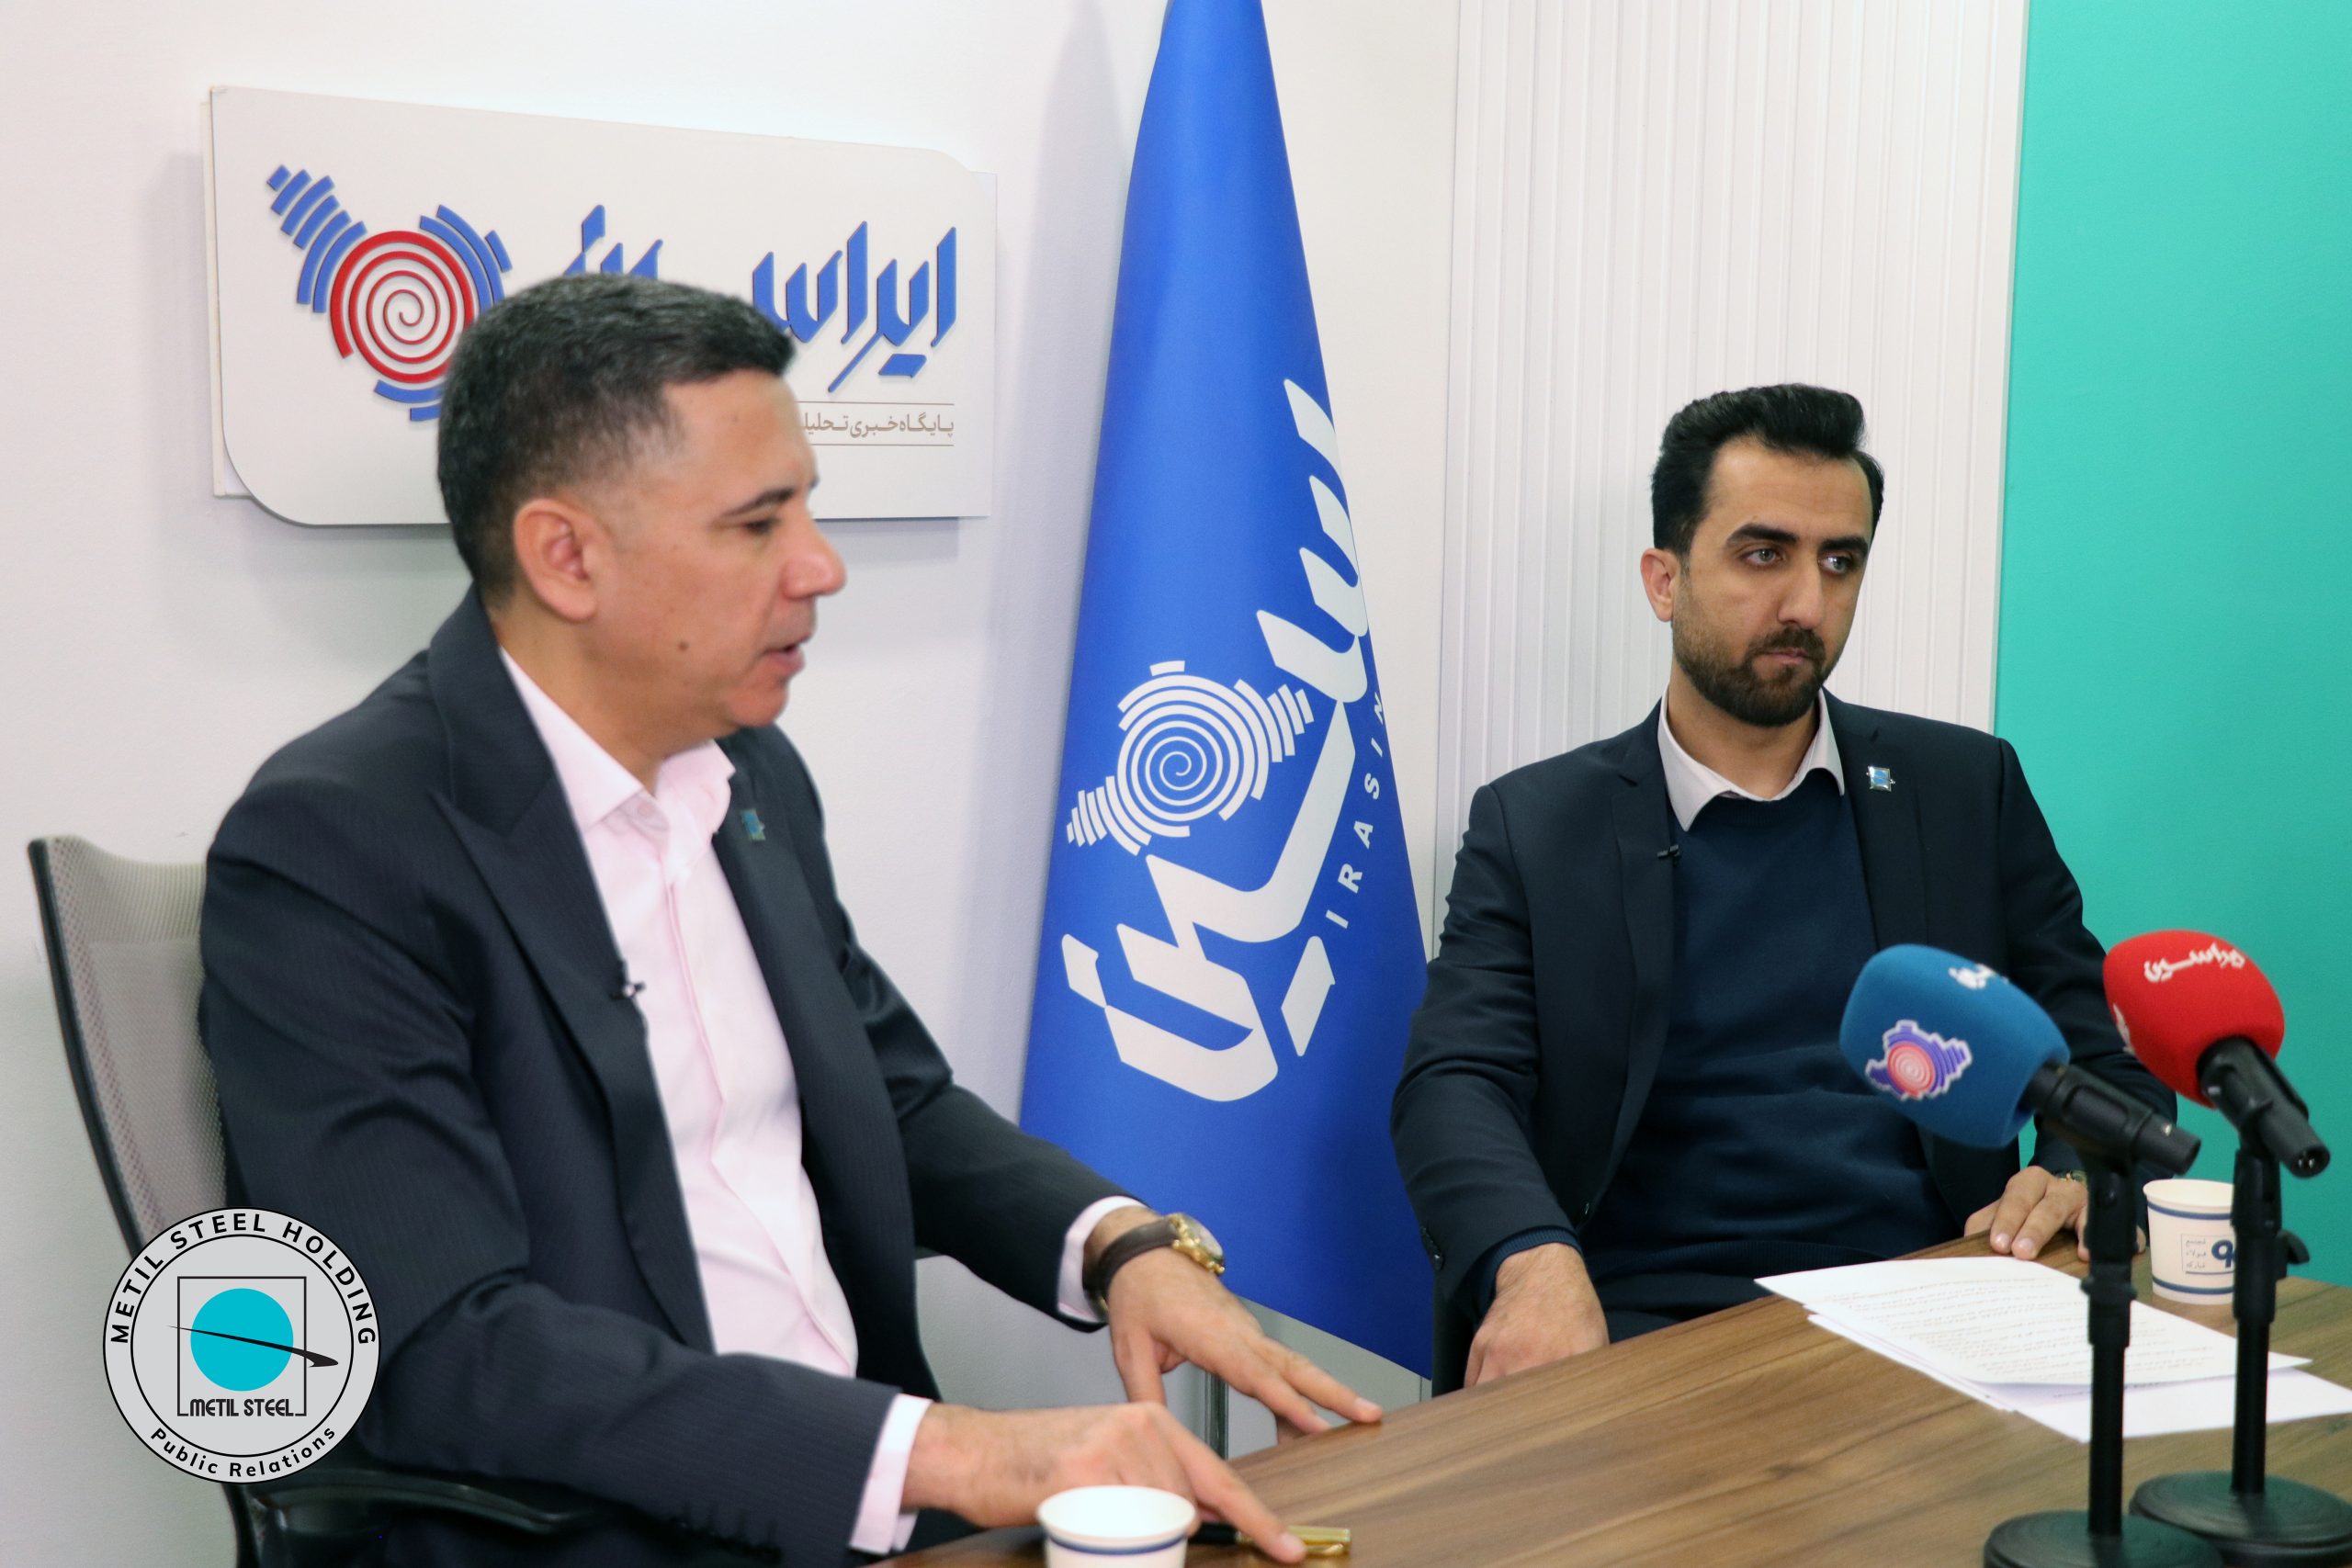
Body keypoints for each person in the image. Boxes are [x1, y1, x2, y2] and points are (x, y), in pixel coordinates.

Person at [199, 274, 1377, 1567]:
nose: (821, 566)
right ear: (565, 556)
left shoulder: (746, 770)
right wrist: (959, 1454)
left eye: (805, 506)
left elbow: (891, 1099)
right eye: (758, 523)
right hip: (611, 1532)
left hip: (873, 1505)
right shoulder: (337, 844)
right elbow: (443, 1345)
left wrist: (1118, 1247)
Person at [1389, 384, 2176, 1393]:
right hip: (1646, 1327)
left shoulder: (1961, 790)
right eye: (1763, 555)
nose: (1807, 604)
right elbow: (1455, 1082)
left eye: (1839, 561)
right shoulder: (1537, 825)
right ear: (1664, 580)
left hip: (1936, 1308)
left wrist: (2070, 1177)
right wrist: (1530, 1258)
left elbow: (2101, 1060)